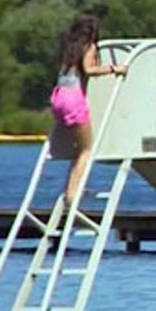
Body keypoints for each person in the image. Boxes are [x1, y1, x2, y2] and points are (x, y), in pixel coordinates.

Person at [50, 14, 127, 206]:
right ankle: (72, 195)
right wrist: (113, 69)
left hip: (58, 95)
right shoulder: (89, 46)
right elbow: (89, 69)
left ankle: (72, 188)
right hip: (74, 98)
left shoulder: (67, 47)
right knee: (86, 150)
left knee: (77, 149)